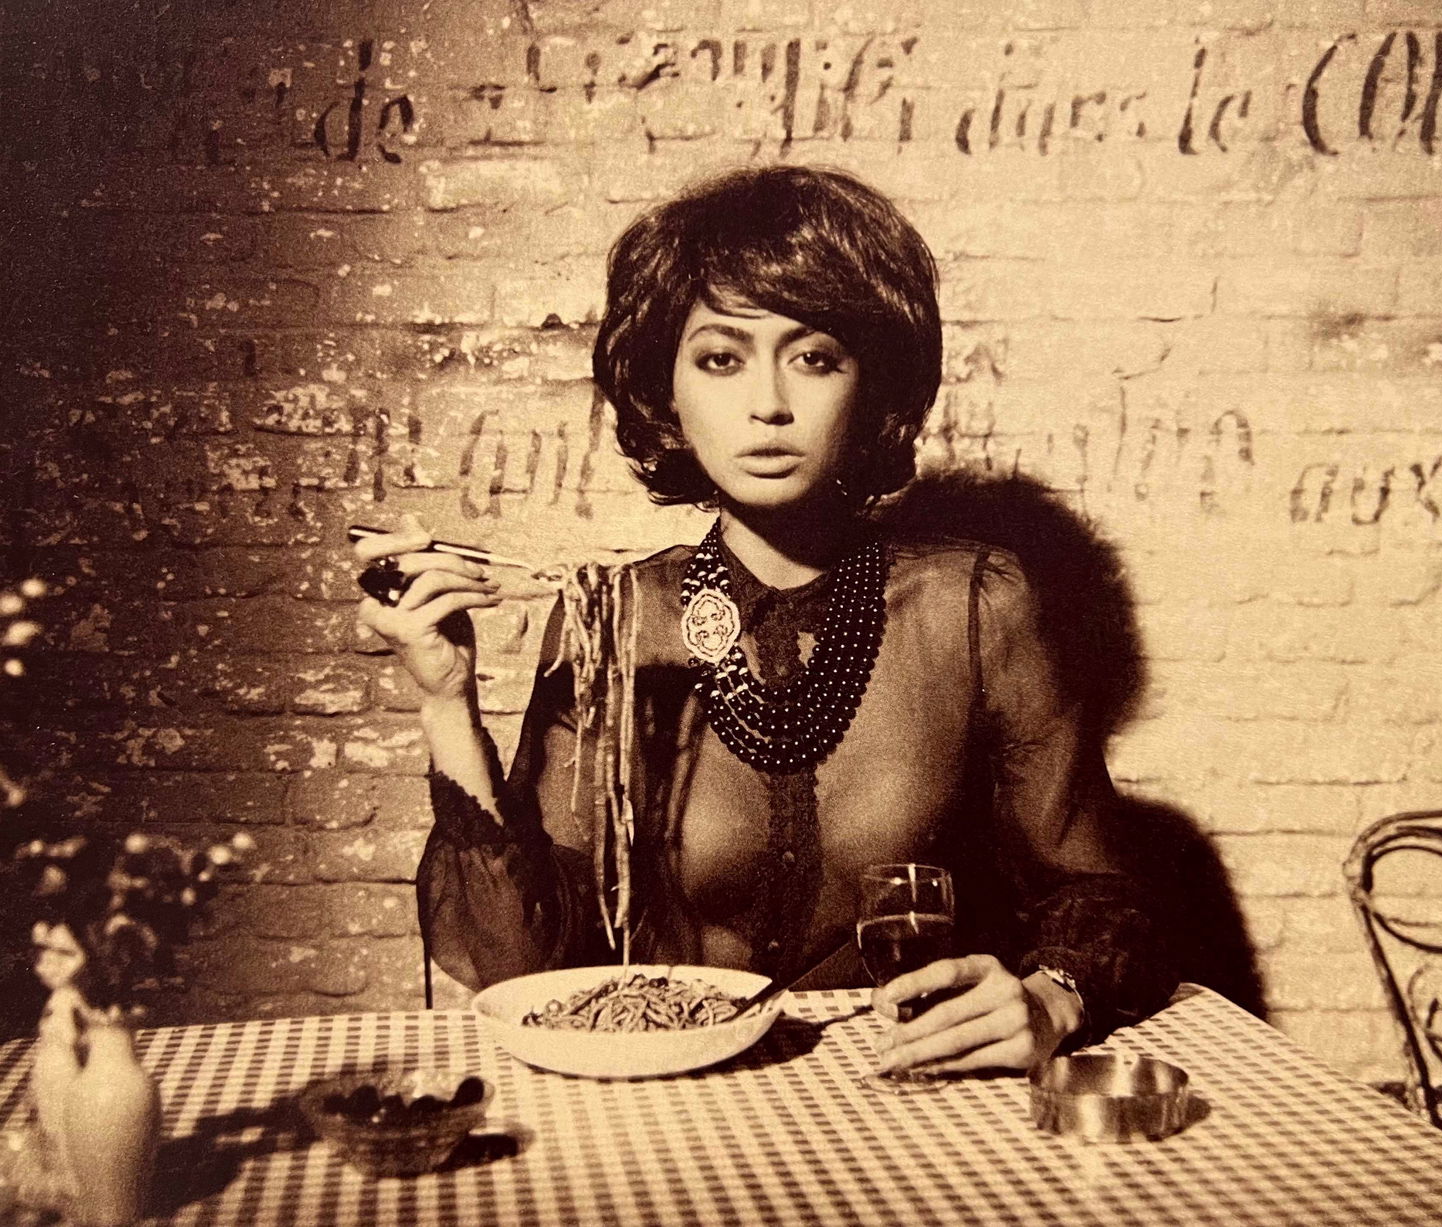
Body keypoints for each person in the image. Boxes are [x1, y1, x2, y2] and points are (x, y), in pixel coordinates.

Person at [354, 164, 1176, 1075]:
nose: (769, 404)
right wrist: (445, 698)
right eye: (721, 358)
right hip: (670, 1098)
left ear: (872, 385)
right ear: (667, 391)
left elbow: (1106, 892)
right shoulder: (616, 620)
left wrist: (1050, 997)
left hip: (911, 1086)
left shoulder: (975, 608)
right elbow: (519, 963)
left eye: (814, 357)